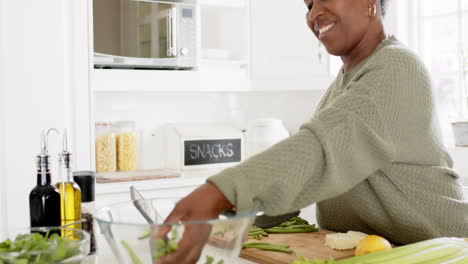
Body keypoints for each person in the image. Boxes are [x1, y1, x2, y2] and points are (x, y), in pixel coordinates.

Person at [156, 0, 468, 263]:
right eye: (308, 4)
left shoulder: (398, 68)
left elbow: (322, 149)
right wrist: (235, 215)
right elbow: (308, 177)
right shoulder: (341, 87)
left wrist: (219, 192)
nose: (313, 13)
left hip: (445, 250)